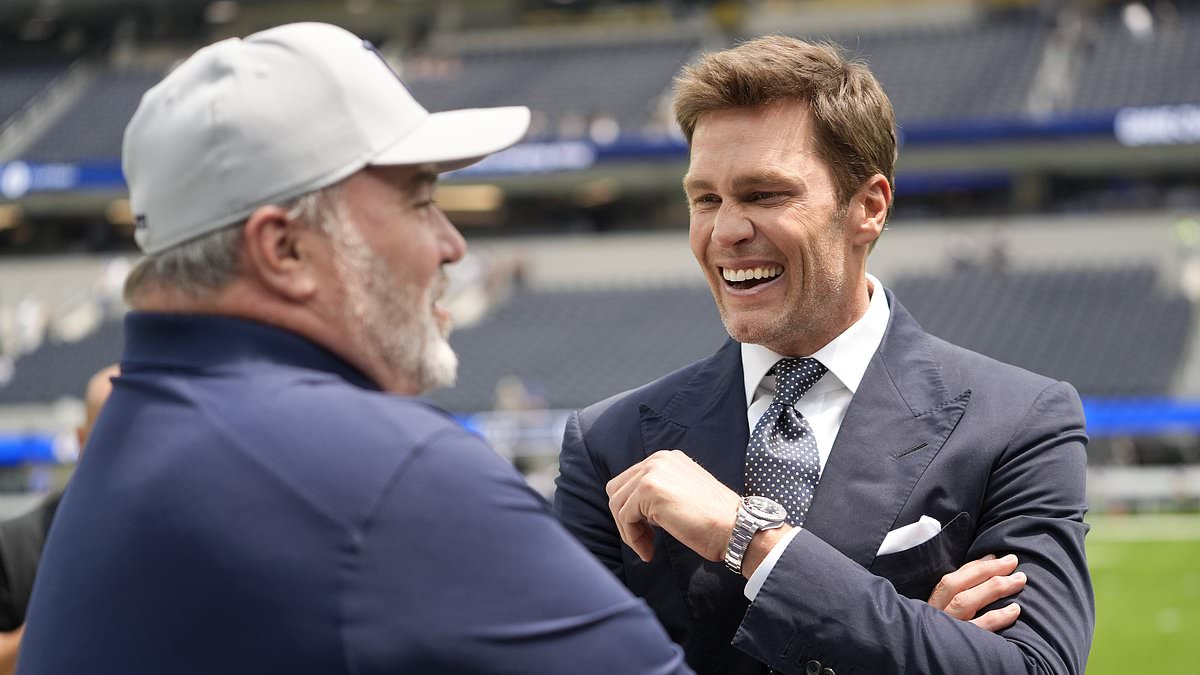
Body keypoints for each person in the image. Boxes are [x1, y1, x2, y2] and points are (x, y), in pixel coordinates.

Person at [17, 23, 691, 674]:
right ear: (285, 249)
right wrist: (764, 546)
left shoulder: (132, 427)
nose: (452, 244)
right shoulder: (391, 469)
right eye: (420, 199)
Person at [555, 35, 1093, 675]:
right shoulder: (608, 442)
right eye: (706, 199)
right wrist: (919, 640)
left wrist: (748, 538)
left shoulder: (1019, 422)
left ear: (869, 207)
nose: (725, 231)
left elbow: (1035, 669)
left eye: (764, 195)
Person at [0, 363, 119, 674]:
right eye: (113, 434)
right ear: (81, 440)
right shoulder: (13, 544)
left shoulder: (180, 538)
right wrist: (60, 619)